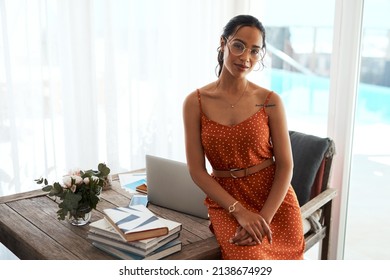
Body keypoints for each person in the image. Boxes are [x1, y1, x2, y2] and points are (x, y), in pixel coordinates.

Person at [182, 15, 305, 260]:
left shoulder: (270, 101)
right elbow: (197, 171)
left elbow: (285, 165)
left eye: (255, 50)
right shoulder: (194, 102)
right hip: (227, 200)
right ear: (223, 43)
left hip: (274, 201)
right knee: (247, 260)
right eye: (238, 45)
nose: (245, 57)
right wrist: (239, 212)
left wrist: (262, 220)